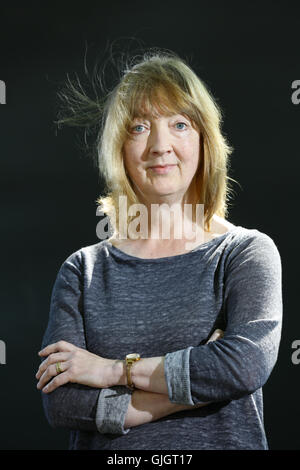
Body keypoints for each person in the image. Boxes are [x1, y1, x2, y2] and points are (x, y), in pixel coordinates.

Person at [35, 49, 282, 450]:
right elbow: (62, 403)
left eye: (180, 124)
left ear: (205, 142)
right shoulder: (83, 270)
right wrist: (197, 377)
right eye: (138, 128)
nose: (159, 145)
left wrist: (113, 371)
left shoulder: (245, 253)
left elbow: (242, 365)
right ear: (119, 149)